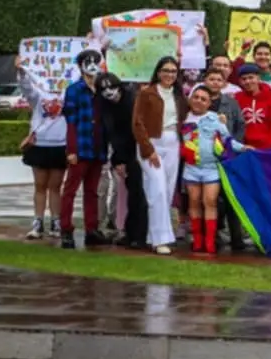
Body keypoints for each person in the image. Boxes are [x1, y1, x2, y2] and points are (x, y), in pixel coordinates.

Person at [180, 85, 246, 255]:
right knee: (194, 201)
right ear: (190, 99)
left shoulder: (215, 119)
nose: (199, 101)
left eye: (203, 99)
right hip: (191, 168)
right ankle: (198, 239)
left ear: (209, 103)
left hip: (211, 169)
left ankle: (210, 241)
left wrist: (244, 148)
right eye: (196, 97)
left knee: (209, 201)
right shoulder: (183, 118)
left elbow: (227, 140)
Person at [132, 56, 186, 256]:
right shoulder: (147, 93)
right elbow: (137, 123)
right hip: (153, 142)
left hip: (173, 143)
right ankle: (161, 240)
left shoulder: (180, 96)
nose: (169, 74)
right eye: (165, 70)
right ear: (158, 71)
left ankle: (153, 235)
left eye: (173, 71)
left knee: (168, 191)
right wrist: (148, 149)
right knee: (158, 190)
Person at [59, 48, 111, 250]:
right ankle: (66, 229)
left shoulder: (102, 89)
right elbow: (70, 121)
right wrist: (71, 149)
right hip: (80, 146)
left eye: (96, 61)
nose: (92, 65)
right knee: (70, 190)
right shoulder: (74, 90)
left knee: (92, 191)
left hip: (98, 147)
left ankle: (92, 229)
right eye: (88, 61)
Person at [15, 56, 66, 240]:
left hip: (60, 144)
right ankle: (37, 222)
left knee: (55, 186)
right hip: (40, 143)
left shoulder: (68, 93)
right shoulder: (39, 94)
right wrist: (22, 71)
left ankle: (55, 221)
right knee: (40, 185)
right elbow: (27, 88)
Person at [96, 73, 148, 249]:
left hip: (140, 151)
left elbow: (132, 131)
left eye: (112, 87)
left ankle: (139, 235)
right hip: (124, 155)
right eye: (103, 89)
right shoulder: (106, 107)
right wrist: (117, 159)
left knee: (139, 194)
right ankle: (131, 232)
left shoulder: (132, 101)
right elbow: (112, 134)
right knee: (132, 194)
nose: (109, 92)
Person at [234, 64, 271, 150]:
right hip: (243, 147)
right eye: (244, 79)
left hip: (266, 148)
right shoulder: (237, 98)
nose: (247, 81)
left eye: (251, 77)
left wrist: (269, 147)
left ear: (258, 78)